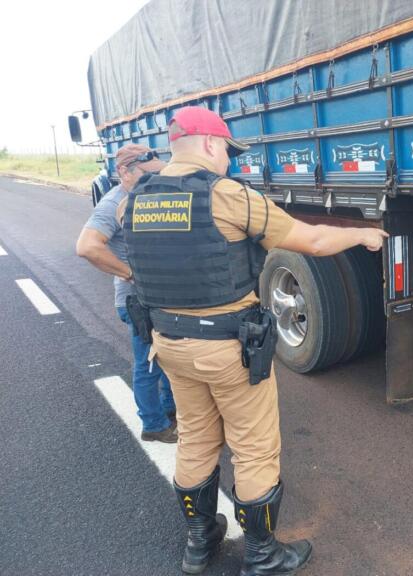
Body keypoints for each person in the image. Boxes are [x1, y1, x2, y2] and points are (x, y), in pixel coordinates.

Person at [119, 106, 388, 576]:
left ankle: (200, 542)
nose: (228, 159)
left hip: (169, 344)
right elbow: (314, 241)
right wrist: (364, 233)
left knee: (197, 438)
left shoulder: (134, 199)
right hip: (226, 349)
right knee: (254, 446)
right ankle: (263, 555)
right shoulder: (227, 197)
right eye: (225, 148)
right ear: (207, 143)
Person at [76, 144, 178, 443]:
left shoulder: (148, 196)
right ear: (124, 171)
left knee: (167, 359)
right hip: (136, 301)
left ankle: (170, 410)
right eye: (147, 175)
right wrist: (131, 274)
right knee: (148, 364)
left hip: (157, 300)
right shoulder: (114, 203)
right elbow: (86, 247)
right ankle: (154, 425)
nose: (154, 180)